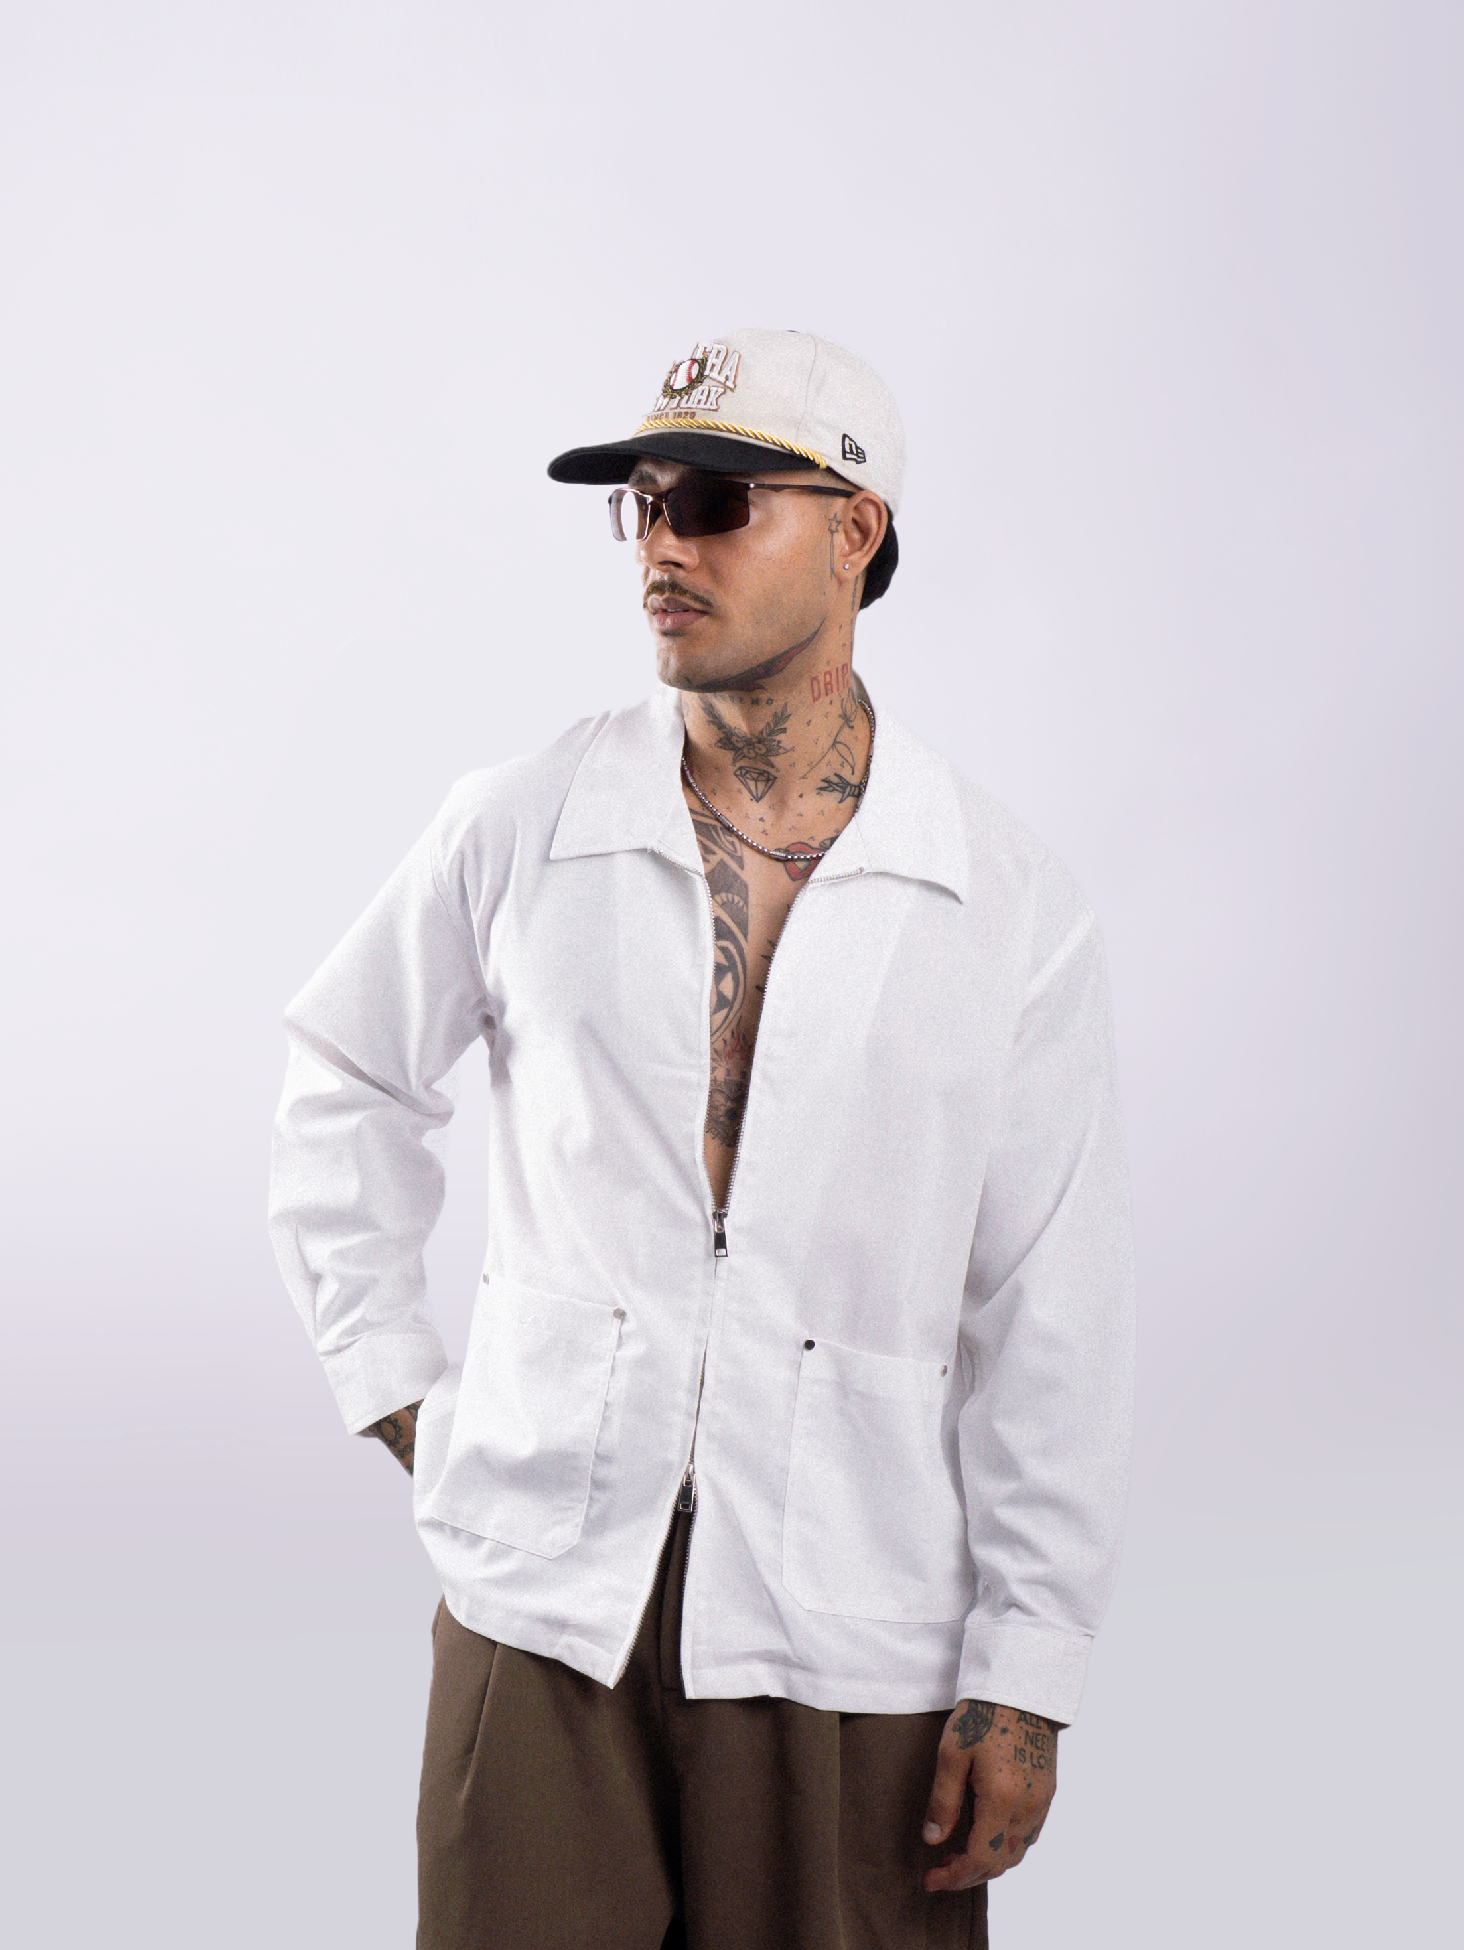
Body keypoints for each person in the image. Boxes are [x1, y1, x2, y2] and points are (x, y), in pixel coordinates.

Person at [268, 328, 1135, 1950]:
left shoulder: (1004, 902)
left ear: (857, 529)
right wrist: (404, 1391)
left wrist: (1028, 1671)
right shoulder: (522, 821)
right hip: (544, 1595)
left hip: (849, 1612)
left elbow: (1053, 1305)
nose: (664, 543)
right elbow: (345, 1077)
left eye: (720, 502)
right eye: (645, 503)